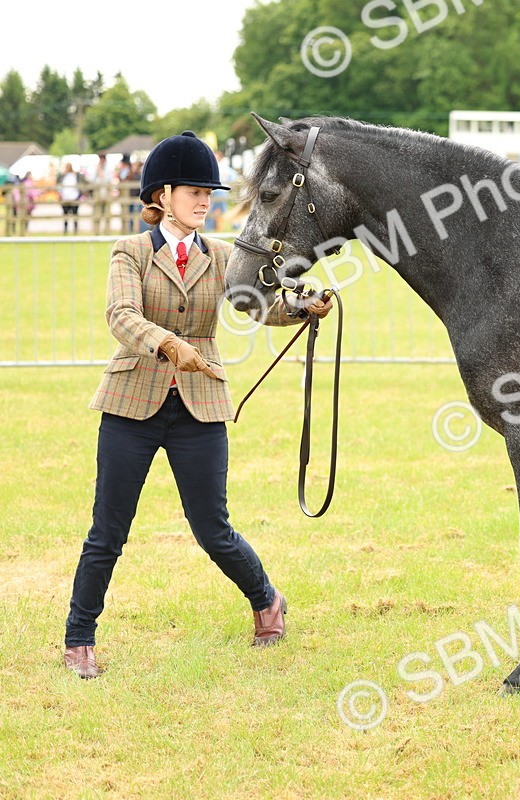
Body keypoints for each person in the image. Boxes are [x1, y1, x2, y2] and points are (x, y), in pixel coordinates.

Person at [62, 131, 334, 679]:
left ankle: (267, 602)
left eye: (210, 191)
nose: (206, 200)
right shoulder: (130, 252)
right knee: (107, 530)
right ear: (162, 194)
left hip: (199, 405)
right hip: (131, 403)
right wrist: (168, 344)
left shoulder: (224, 255)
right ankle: (79, 639)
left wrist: (303, 308)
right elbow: (121, 316)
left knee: (212, 527)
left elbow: (256, 304)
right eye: (195, 190)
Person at [60, 163, 82, 234]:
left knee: (75, 215)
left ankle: (75, 230)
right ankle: (65, 230)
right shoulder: (63, 176)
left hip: (74, 197)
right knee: (65, 215)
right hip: (65, 198)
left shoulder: (75, 176)